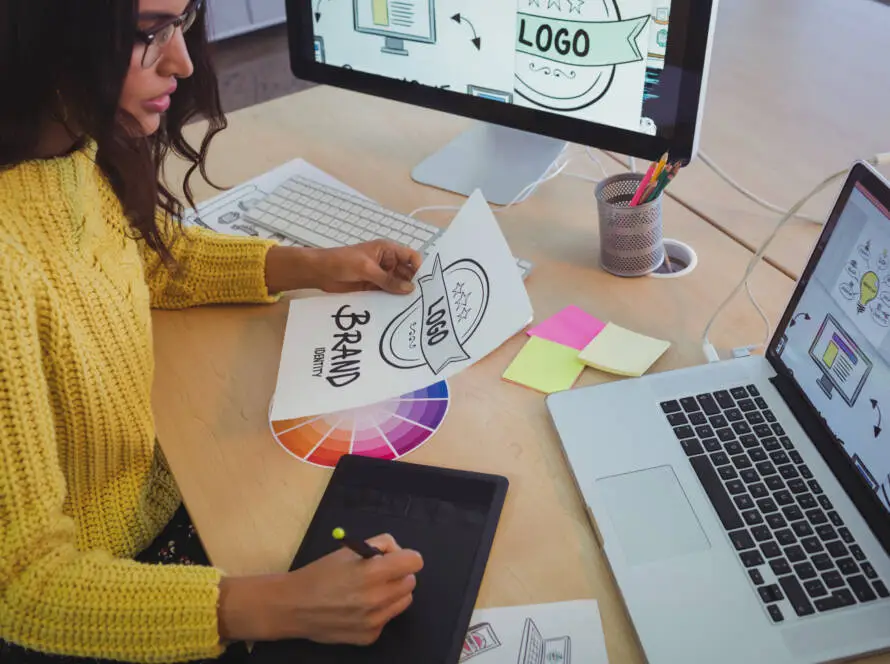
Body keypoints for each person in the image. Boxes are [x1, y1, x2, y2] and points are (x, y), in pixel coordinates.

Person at [0, 1, 425, 662]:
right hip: (97, 593)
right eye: (149, 34)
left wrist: (314, 264)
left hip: (160, 501)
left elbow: (145, 258)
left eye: (183, 22)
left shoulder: (62, 147)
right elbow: (24, 585)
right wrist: (282, 606)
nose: (185, 61)